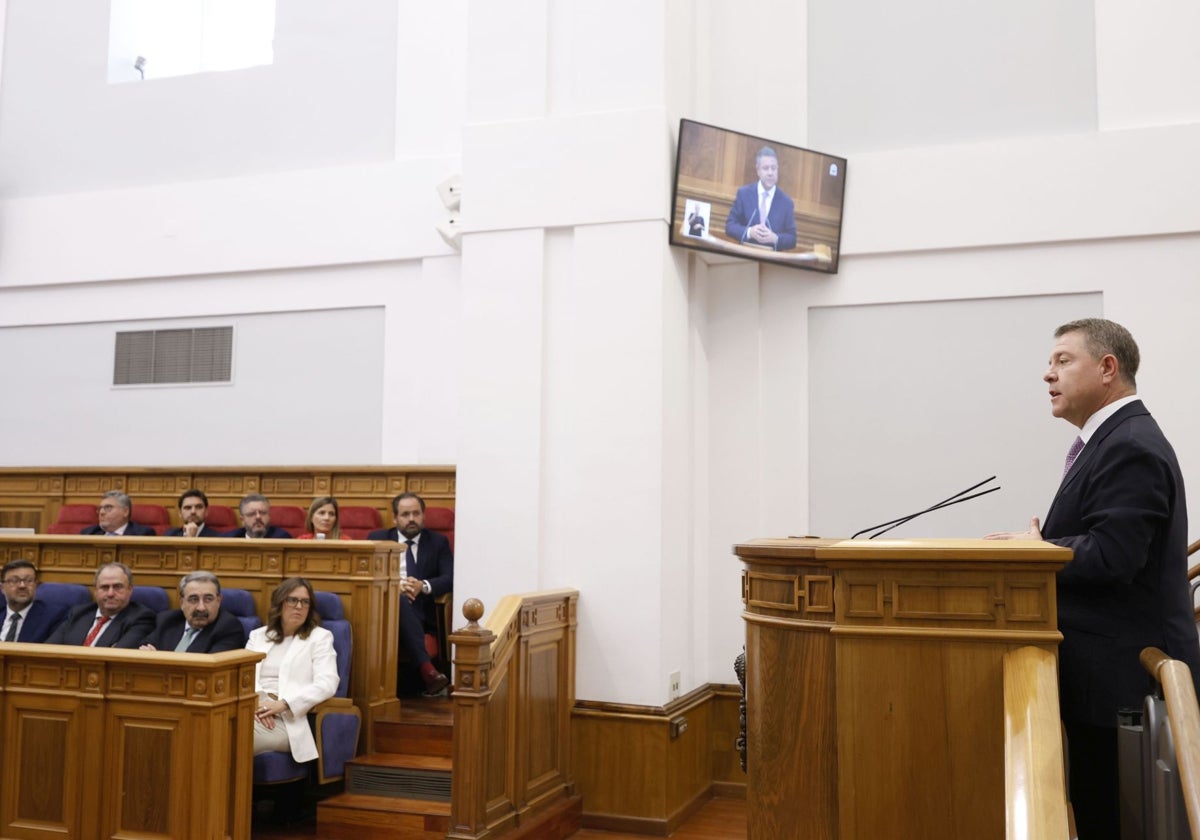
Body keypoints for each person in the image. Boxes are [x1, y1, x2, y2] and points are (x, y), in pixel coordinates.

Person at [985, 318, 1200, 840]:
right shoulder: (1110, 440)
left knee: (1115, 820)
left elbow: (1114, 556)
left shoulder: (1129, 445)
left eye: (1062, 361)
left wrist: (1041, 551)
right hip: (1103, 675)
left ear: (1108, 369)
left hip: (1122, 681)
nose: (1047, 375)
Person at [368, 492, 453, 695]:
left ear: (423, 516)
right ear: (395, 518)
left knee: (401, 601)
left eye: (416, 513)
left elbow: (450, 577)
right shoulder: (377, 539)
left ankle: (425, 672)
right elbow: (366, 575)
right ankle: (428, 671)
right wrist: (395, 585)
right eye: (405, 514)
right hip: (382, 613)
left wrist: (422, 585)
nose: (412, 519)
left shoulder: (438, 542)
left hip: (423, 611)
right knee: (397, 598)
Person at [245, 577, 338, 762]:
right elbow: (244, 677)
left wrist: (284, 704)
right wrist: (257, 704)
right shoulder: (258, 636)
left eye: (305, 602)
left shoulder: (320, 637)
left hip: (287, 720)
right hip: (252, 711)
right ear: (279, 603)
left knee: (236, 737)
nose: (299, 607)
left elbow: (328, 683)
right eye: (292, 600)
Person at [45, 562, 156, 648]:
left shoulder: (141, 618)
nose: (110, 593)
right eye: (104, 587)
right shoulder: (78, 613)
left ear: (130, 590)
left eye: (118, 587)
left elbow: (115, 657)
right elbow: (49, 649)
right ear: (96, 591)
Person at [138, 571, 247, 653]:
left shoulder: (228, 627)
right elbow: (143, 649)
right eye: (193, 599)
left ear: (218, 601)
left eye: (208, 599)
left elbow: (208, 667)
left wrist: (159, 660)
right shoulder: (167, 620)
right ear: (182, 602)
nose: (201, 608)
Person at [724, 146, 797, 251]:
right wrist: (749, 232)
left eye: (774, 168)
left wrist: (775, 238)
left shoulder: (786, 202)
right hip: (745, 254)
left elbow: (792, 239)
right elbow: (730, 226)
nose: (770, 173)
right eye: (766, 168)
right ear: (758, 170)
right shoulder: (744, 194)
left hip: (771, 260)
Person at [1, 559, 70, 643]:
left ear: (36, 585)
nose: (22, 586)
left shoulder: (54, 616)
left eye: (29, 580)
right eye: (15, 581)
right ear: (2, 588)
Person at [81, 490, 156, 536]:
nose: (101, 512)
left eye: (108, 508)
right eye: (100, 508)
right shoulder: (88, 533)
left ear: (125, 512)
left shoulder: (142, 534)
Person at [223, 493, 292, 539]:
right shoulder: (229, 539)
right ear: (242, 520)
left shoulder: (282, 538)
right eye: (251, 514)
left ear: (269, 516)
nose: (258, 517)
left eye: (262, 513)